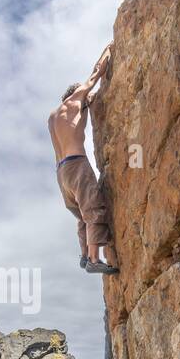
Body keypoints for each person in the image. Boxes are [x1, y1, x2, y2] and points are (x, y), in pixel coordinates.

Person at [48, 46, 119, 274]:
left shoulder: (52, 116)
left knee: (81, 214)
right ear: (76, 94)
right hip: (77, 164)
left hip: (61, 173)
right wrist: (108, 50)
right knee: (93, 209)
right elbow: (95, 74)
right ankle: (93, 260)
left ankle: (83, 253)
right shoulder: (76, 100)